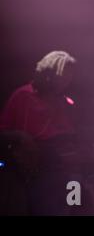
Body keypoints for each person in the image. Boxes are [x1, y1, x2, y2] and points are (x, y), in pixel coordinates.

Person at [0, 50, 80, 215]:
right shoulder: (23, 96)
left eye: (70, 76)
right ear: (50, 73)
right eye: (64, 75)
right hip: (31, 170)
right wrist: (20, 137)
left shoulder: (66, 103)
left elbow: (73, 136)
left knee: (72, 203)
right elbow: (3, 132)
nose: (67, 81)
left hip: (63, 171)